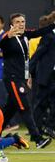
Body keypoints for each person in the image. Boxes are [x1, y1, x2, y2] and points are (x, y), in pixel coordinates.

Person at [0, 13, 54, 149]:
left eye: (23, 21)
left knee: (10, 110)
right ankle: (38, 139)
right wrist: (8, 36)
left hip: (21, 78)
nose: (21, 24)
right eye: (17, 22)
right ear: (12, 24)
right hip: (12, 79)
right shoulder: (9, 38)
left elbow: (39, 32)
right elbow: (1, 45)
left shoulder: (25, 36)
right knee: (25, 107)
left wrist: (53, 25)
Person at [30, 11, 55, 139]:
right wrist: (29, 71)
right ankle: (36, 131)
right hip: (46, 76)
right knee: (41, 104)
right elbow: (37, 55)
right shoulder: (48, 35)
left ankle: (50, 127)